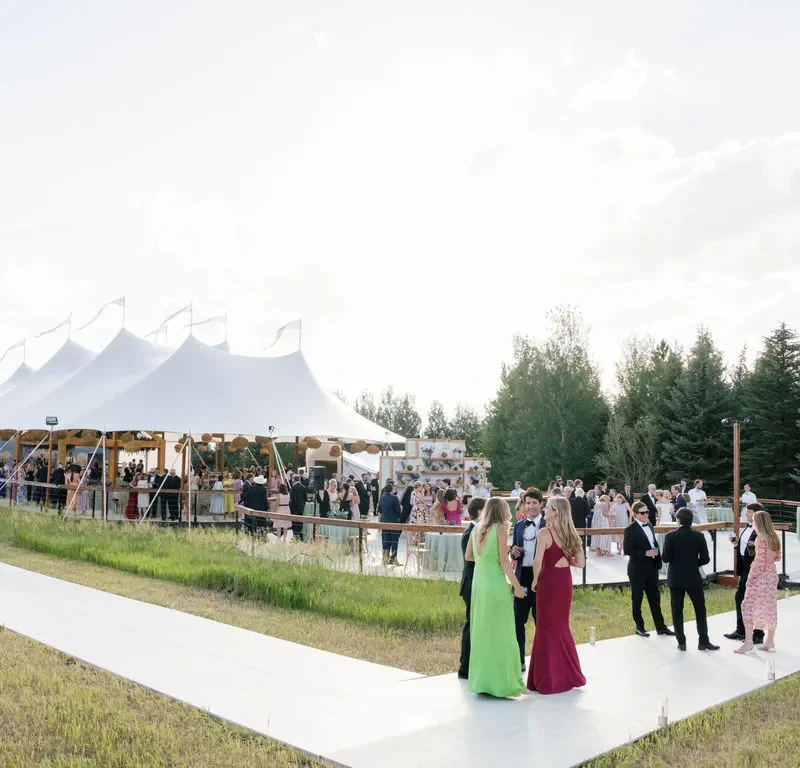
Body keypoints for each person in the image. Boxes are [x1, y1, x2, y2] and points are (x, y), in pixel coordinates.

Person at [465, 497, 526, 698]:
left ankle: (483, 681)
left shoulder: (476, 530)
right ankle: (502, 682)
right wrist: (517, 587)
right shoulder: (500, 528)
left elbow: (469, 557)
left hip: (479, 583)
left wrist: (485, 559)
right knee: (502, 630)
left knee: (482, 630)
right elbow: (503, 561)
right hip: (494, 582)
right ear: (502, 511)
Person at [527, 495, 586, 694]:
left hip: (549, 582)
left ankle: (547, 679)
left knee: (545, 628)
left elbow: (537, 561)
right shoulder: (572, 534)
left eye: (548, 507)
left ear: (556, 512)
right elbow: (580, 563)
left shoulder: (544, 532)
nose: (544, 510)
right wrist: (565, 559)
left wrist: (535, 581)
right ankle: (568, 675)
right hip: (564, 582)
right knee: (561, 626)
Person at [662, 507, 718, 651]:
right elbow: (705, 559)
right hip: (693, 576)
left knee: (677, 610)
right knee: (700, 609)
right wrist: (694, 563)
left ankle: (681, 642)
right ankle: (703, 640)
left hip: (676, 577)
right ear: (691, 520)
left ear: (678, 520)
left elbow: (666, 558)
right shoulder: (699, 536)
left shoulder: (670, 537)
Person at [623, 501, 674, 638]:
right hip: (637, 569)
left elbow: (653, 542)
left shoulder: (650, 525)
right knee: (637, 599)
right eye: (643, 513)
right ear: (635, 514)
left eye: (647, 512)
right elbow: (627, 550)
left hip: (652, 568)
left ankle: (661, 627)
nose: (646, 515)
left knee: (655, 598)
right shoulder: (630, 529)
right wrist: (645, 553)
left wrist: (656, 553)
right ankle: (639, 627)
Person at [734, 509, 781, 654]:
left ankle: (749, 642)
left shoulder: (761, 538)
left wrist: (750, 577)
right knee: (769, 606)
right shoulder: (774, 536)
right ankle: (770, 640)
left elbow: (759, 562)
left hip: (760, 576)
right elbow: (778, 557)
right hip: (772, 574)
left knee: (747, 605)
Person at [511, 488, 545, 671]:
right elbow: (514, 552)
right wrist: (513, 552)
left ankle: (541, 661)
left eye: (534, 503)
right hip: (522, 577)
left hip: (542, 577)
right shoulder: (518, 526)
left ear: (541, 504)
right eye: (528, 503)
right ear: (524, 505)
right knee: (517, 622)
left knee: (541, 621)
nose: (531, 506)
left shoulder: (548, 525)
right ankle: (519, 660)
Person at [724, 502, 767, 644]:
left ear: (756, 513)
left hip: (756, 571)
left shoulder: (762, 531)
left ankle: (758, 634)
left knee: (756, 602)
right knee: (740, 598)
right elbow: (746, 549)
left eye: (748, 512)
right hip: (745, 569)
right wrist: (736, 543)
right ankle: (740, 630)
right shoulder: (747, 528)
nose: (745, 514)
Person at [458, 496, 485, 679]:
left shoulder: (479, 531)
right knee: (471, 624)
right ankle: (465, 666)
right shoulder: (470, 533)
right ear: (480, 512)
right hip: (471, 583)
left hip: (478, 583)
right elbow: (470, 562)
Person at [379, 483, 402, 565]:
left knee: (385, 540)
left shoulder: (382, 498)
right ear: (392, 489)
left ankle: (385, 559)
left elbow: (379, 510)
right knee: (394, 540)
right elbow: (398, 511)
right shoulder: (394, 498)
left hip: (384, 521)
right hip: (393, 521)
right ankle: (394, 559)